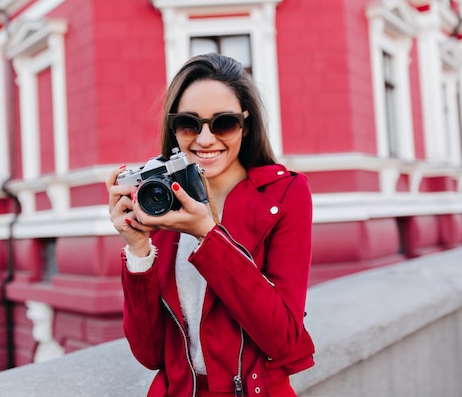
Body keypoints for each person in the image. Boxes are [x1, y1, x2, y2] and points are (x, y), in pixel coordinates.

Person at [106, 53, 314, 397]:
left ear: (246, 126)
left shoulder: (285, 194)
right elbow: (150, 353)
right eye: (189, 124)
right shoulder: (161, 200)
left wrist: (208, 235)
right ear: (174, 129)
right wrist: (138, 248)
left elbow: (283, 339)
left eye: (224, 123)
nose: (205, 140)